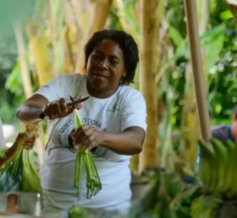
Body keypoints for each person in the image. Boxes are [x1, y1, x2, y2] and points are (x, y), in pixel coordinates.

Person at [17, 30, 147, 215]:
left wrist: (100, 137)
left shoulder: (129, 98)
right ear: (88, 59)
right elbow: (24, 111)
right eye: (97, 57)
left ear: (125, 70)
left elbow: (136, 141)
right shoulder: (65, 84)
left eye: (113, 61)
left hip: (109, 210)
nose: (102, 64)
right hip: (54, 205)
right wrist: (45, 111)